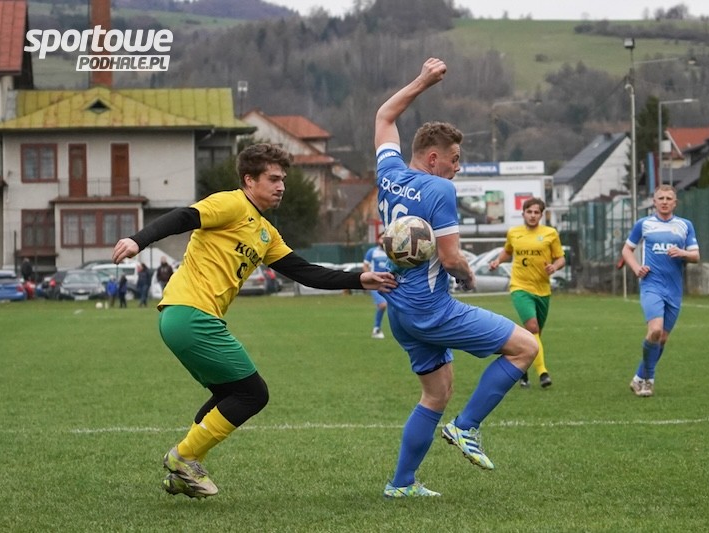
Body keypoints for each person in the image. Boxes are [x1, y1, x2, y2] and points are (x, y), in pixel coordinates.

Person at [111, 142, 396, 499]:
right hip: (190, 315)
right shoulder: (232, 204)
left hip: (184, 318)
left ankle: (185, 469)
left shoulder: (265, 233)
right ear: (249, 180)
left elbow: (305, 272)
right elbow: (184, 217)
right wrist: (138, 241)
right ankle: (183, 457)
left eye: (283, 180)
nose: (281, 186)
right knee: (253, 394)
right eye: (273, 179)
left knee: (229, 394)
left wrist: (359, 279)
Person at [375, 58, 538, 498]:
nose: (457, 168)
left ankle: (401, 484)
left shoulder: (389, 174)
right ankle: (466, 428)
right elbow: (450, 259)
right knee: (526, 347)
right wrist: (468, 275)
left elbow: (385, 116)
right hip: (431, 308)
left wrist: (422, 81)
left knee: (436, 394)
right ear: (434, 159)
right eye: (455, 160)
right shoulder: (439, 189)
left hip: (400, 310)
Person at [622, 184, 700, 398]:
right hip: (651, 285)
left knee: (662, 338)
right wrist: (637, 268)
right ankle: (649, 380)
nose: (664, 202)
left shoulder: (685, 225)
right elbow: (627, 249)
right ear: (654, 202)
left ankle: (638, 377)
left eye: (668, 198)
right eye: (661, 198)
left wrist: (682, 253)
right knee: (655, 331)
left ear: (675, 203)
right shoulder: (644, 224)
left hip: (674, 288)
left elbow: (695, 255)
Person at [488, 197, 565, 389]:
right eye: (529, 212)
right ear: (523, 213)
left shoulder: (550, 233)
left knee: (534, 336)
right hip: (520, 287)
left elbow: (560, 258)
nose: (532, 215)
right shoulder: (514, 233)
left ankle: (522, 370)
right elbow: (508, 251)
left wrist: (554, 267)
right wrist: (498, 261)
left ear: (541, 215)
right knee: (532, 327)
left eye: (536, 212)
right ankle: (543, 373)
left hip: (543, 290)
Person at [363, 232, 390, 339]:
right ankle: (376, 329)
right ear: (378, 239)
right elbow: (365, 266)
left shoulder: (391, 252)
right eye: (381, 238)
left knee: (395, 307)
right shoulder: (372, 252)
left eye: (385, 238)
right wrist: (370, 277)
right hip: (376, 284)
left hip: (389, 283)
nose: (383, 240)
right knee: (382, 305)